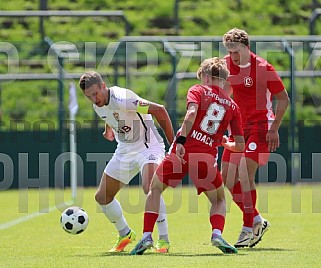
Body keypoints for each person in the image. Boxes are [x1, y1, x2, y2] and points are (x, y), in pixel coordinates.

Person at [130, 57, 245, 255]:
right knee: (219, 199)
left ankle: (146, 236)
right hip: (206, 159)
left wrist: (182, 141)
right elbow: (240, 145)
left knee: (154, 188)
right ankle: (217, 233)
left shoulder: (198, 90)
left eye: (202, 77)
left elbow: (191, 114)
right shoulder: (233, 107)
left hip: (181, 152)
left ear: (207, 78)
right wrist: (225, 143)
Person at [79, 71, 174, 253]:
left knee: (150, 187)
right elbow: (110, 114)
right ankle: (125, 233)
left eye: (95, 93)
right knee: (102, 197)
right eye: (88, 96)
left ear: (103, 86)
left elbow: (159, 110)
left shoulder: (123, 98)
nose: (93, 98)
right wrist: (109, 129)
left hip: (148, 146)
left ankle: (163, 240)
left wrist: (174, 145)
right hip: (125, 150)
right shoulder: (97, 105)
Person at [221, 28, 290, 248]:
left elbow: (283, 99)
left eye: (236, 51)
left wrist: (274, 128)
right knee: (228, 179)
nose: (233, 56)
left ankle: (247, 228)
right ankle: (258, 220)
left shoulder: (263, 68)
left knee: (244, 172)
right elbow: (224, 92)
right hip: (237, 128)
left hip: (261, 126)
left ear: (246, 47)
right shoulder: (225, 64)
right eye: (229, 51)